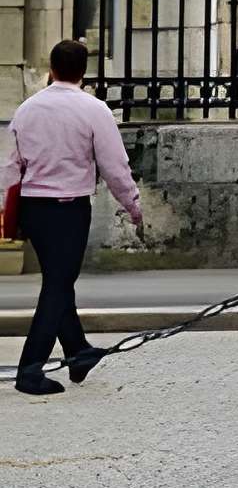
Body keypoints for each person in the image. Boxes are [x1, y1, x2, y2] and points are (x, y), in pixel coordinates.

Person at [7, 40, 143, 396]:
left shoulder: (27, 109)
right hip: (69, 209)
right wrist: (132, 206)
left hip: (34, 207)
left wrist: (9, 213)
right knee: (57, 285)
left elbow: (12, 167)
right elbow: (114, 167)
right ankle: (30, 368)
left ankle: (78, 351)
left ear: (51, 68)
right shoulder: (94, 110)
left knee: (58, 280)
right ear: (83, 72)